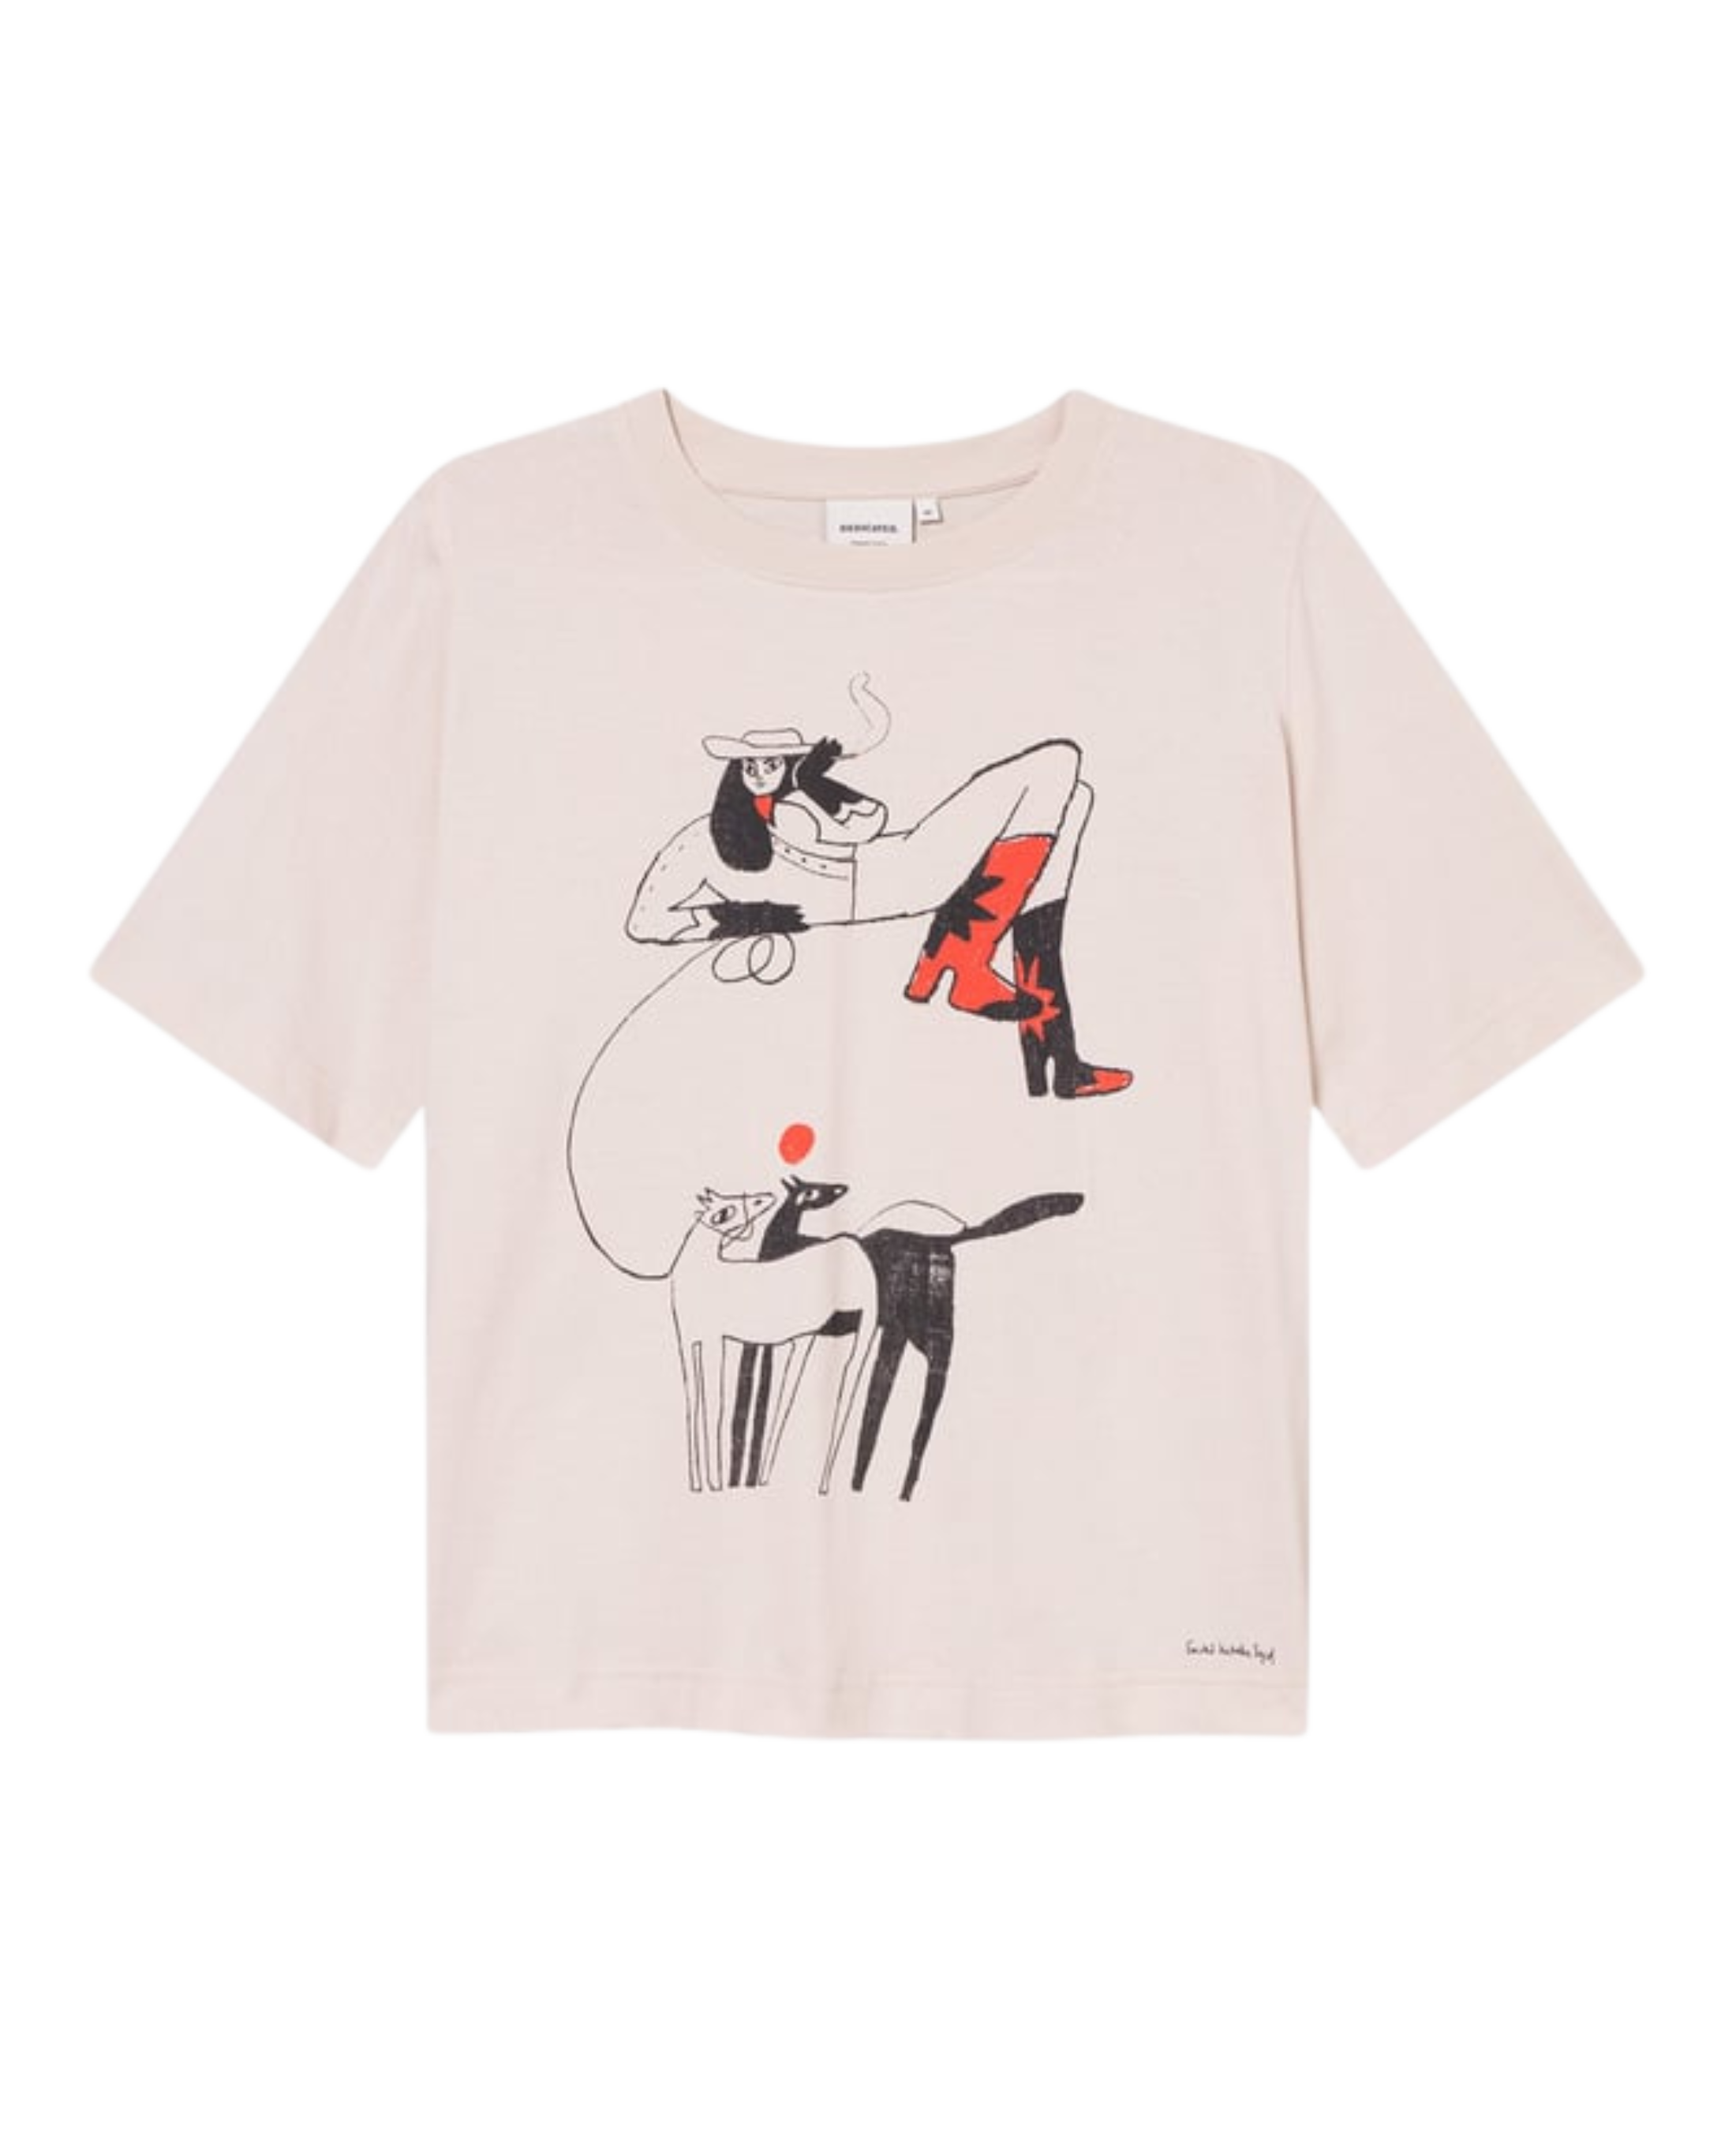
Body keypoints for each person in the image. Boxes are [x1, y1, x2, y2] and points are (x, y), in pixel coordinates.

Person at [627, 721, 1132, 1100]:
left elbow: (870, 823)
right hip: (894, 881)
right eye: (749, 766)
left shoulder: (796, 802)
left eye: (773, 763)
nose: (760, 774)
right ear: (733, 773)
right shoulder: (700, 841)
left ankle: (1056, 1057)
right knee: (1057, 762)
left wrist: (813, 781)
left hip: (894, 864)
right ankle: (964, 957)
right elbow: (644, 922)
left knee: (1073, 801)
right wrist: (741, 918)